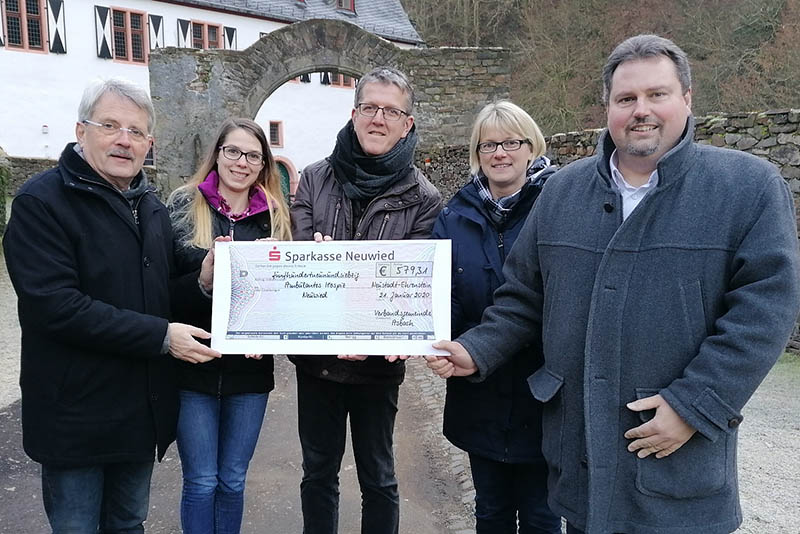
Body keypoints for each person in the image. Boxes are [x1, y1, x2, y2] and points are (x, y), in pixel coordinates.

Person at [426, 34, 800, 534]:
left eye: (657, 95)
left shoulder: (747, 187)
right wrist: (475, 350)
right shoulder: (561, 192)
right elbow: (523, 299)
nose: (640, 110)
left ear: (687, 99)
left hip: (676, 459)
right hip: (577, 455)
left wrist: (695, 405)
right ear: (607, 107)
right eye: (626, 99)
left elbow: (765, 310)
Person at [2, 78, 220, 533]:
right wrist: (162, 336)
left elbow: (160, 293)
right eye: (110, 125)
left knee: (127, 524)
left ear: (150, 144)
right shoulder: (40, 203)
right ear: (81, 132)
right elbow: (56, 307)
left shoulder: (152, 207)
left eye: (136, 131)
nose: (124, 140)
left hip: (139, 413)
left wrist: (202, 278)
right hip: (75, 418)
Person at [290, 66, 442, 534]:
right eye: (369, 108)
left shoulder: (424, 198)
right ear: (354, 114)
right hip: (316, 359)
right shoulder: (314, 179)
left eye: (391, 111)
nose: (379, 119)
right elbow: (297, 266)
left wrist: (372, 328)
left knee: (379, 476)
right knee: (318, 473)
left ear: (407, 123)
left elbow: (416, 286)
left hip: (379, 363)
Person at [431, 100, 560, 534]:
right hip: (479, 391)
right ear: (477, 153)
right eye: (489, 145)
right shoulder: (454, 216)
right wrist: (436, 338)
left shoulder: (562, 206)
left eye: (511, 142)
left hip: (544, 392)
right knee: (490, 512)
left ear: (531, 148)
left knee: (544, 516)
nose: (500, 153)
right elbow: (439, 294)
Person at [167, 118, 291, 534]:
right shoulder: (184, 206)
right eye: (233, 151)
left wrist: (271, 326)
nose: (241, 162)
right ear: (217, 154)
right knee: (201, 481)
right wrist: (203, 281)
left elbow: (286, 296)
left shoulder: (274, 218)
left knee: (233, 480)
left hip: (249, 373)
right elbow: (162, 291)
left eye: (252, 155)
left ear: (263, 165)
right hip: (194, 368)